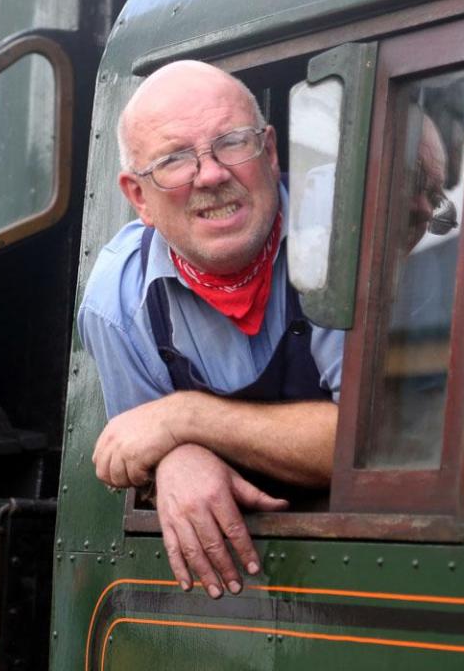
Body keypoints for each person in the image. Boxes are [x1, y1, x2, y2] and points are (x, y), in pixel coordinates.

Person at [77, 60, 344, 600]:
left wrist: (185, 418)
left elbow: (366, 442)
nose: (211, 174)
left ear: (269, 152)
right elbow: (132, 453)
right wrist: (176, 458)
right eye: (174, 160)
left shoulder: (341, 239)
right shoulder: (117, 299)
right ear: (139, 198)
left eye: (231, 143)